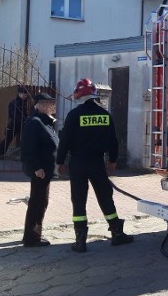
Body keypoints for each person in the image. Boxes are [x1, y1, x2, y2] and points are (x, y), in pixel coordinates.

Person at [56, 78, 133, 252]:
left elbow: (65, 141)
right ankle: (117, 233)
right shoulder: (105, 115)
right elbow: (113, 141)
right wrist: (113, 160)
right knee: (105, 196)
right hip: (97, 163)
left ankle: (80, 240)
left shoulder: (74, 115)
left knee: (79, 199)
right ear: (94, 95)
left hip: (77, 163)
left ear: (78, 94)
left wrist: (60, 162)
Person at [19, 93, 59, 247]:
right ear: (40, 105)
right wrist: (36, 167)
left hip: (46, 170)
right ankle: (32, 238)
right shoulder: (35, 122)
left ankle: (33, 234)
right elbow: (28, 148)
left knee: (41, 202)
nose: (54, 106)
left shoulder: (45, 122)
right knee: (38, 203)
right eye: (50, 103)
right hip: (40, 171)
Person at [0, 86, 30, 159]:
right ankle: (1, 154)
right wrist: (23, 120)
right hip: (14, 123)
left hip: (23, 123)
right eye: (24, 94)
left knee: (26, 139)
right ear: (19, 94)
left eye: (26, 94)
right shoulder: (14, 103)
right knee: (8, 139)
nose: (25, 96)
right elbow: (14, 114)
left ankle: (24, 156)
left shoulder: (26, 103)